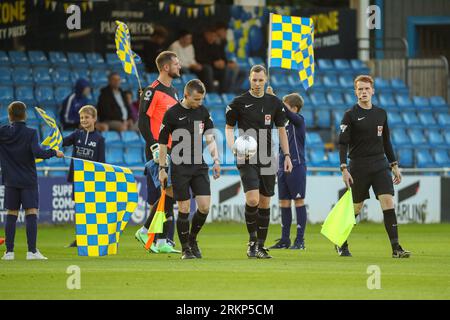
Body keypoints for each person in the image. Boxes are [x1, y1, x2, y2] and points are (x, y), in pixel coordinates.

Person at [338, 75, 410, 258]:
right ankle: (341, 240)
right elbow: (342, 144)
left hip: (380, 164)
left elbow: (387, 142)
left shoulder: (381, 114)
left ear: (373, 91)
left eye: (366, 89)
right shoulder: (350, 115)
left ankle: (396, 248)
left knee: (388, 202)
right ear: (355, 92)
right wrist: (344, 168)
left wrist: (394, 165)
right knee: (356, 208)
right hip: (358, 166)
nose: (363, 92)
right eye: (360, 89)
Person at [225, 65, 293, 259]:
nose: (257, 83)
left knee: (264, 203)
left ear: (266, 80)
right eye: (254, 80)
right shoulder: (239, 102)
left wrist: (286, 155)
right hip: (246, 157)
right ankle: (252, 242)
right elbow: (229, 128)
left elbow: (281, 130)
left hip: (267, 157)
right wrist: (234, 148)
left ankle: (261, 246)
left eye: (260, 80)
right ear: (249, 79)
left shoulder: (274, 102)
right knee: (252, 199)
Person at [158, 79, 221, 259]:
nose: (199, 103)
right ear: (186, 95)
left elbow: (210, 137)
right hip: (179, 167)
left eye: (201, 99)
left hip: (199, 165)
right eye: (196, 99)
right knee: (184, 208)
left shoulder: (202, 112)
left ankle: (192, 239)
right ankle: (185, 249)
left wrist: (216, 159)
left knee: (204, 207)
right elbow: (162, 143)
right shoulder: (172, 114)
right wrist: (162, 168)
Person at [0, 101, 64, 261]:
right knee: (31, 213)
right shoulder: (31, 133)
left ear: (9, 116)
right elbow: (38, 153)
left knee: (11, 214)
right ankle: (32, 251)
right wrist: (54, 152)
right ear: (25, 115)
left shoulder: (2, 132)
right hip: (28, 180)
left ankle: (9, 252)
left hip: (10, 180)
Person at [135, 51, 181, 254]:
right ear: (165, 67)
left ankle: (161, 240)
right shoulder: (151, 90)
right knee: (168, 191)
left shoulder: (174, 92)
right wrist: (154, 145)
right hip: (158, 150)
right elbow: (142, 122)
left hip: (172, 148)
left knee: (168, 193)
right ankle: (146, 231)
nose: (179, 67)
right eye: (176, 64)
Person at [266, 91, 308, 250]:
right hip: (282, 167)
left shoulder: (299, 122)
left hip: (297, 166)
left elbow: (288, 113)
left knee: (298, 201)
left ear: (295, 108)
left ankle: (300, 240)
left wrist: (274, 97)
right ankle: (285, 240)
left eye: (286, 106)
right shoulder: (282, 126)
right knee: (283, 202)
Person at [62, 105, 106, 248]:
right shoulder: (76, 134)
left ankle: (94, 238)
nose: (84, 120)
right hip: (78, 178)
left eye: (87, 117)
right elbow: (62, 142)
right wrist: (55, 134)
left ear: (94, 119)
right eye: (81, 117)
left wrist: (100, 179)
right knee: (80, 209)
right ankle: (80, 238)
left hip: (92, 179)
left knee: (92, 210)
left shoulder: (100, 139)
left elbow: (101, 162)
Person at [194, 26, 227, 93]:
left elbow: (220, 58)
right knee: (208, 68)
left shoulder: (215, 45)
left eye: (214, 36)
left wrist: (222, 62)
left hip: (214, 68)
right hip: (202, 68)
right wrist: (213, 63)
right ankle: (210, 92)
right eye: (211, 35)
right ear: (206, 34)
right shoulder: (199, 44)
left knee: (226, 69)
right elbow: (199, 59)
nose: (213, 38)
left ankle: (224, 92)